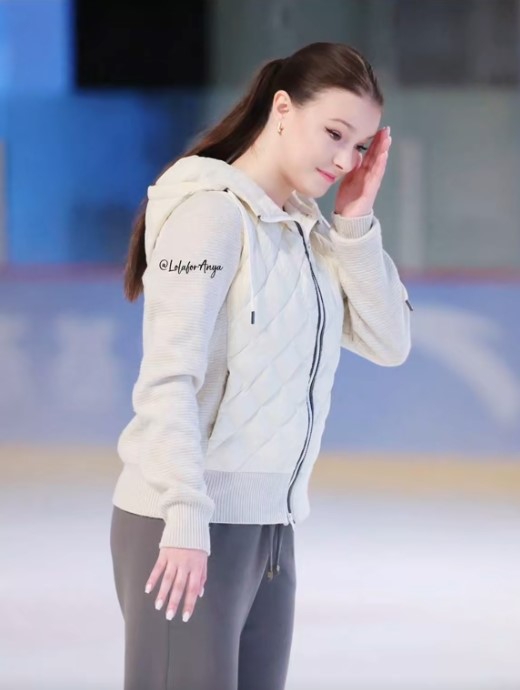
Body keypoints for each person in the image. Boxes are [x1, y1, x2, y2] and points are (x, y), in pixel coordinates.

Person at [109, 41, 412, 690]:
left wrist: (355, 222)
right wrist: (184, 517)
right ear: (282, 109)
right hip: (184, 526)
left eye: (360, 146)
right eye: (334, 133)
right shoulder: (209, 213)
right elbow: (168, 380)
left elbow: (390, 342)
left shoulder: (308, 235)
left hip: (270, 530)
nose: (345, 160)